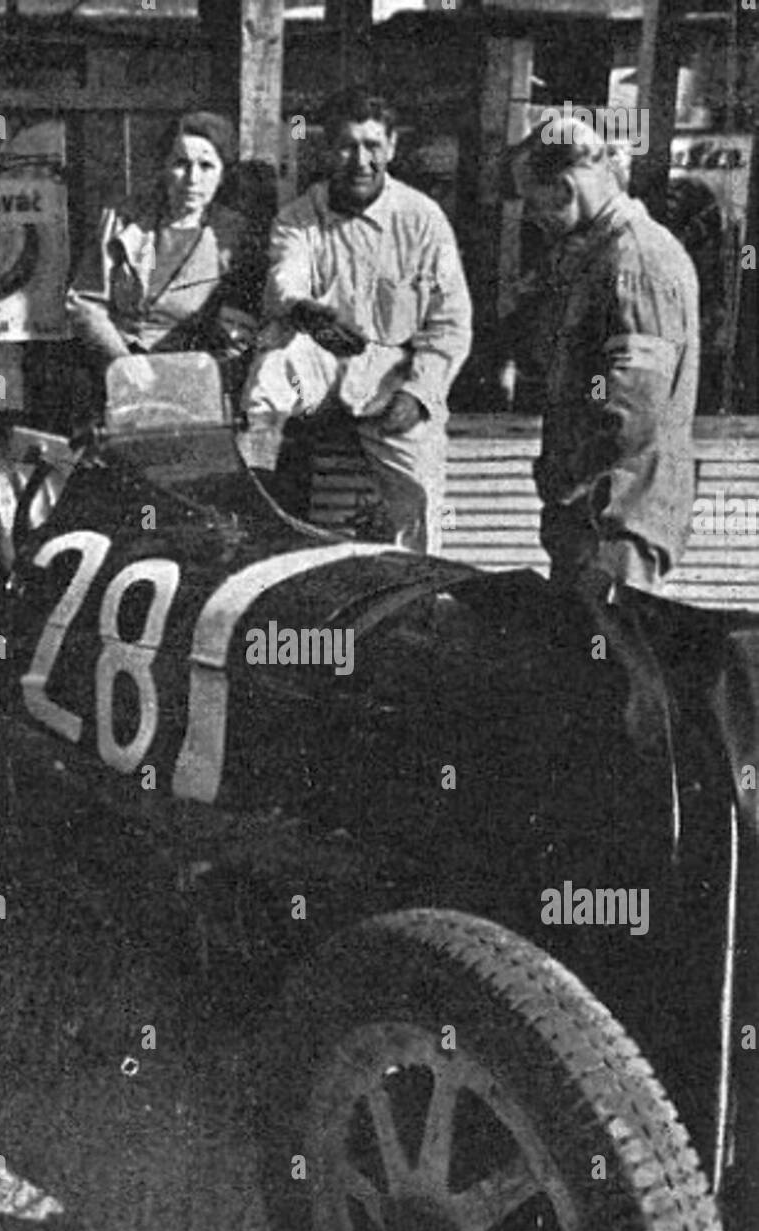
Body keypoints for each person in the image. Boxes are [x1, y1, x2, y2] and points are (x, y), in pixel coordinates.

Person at [511, 115, 701, 756]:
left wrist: (570, 474)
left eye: (534, 204)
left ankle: (650, 826)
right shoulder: (603, 254)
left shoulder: (635, 258)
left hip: (618, 515)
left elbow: (632, 404)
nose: (531, 220)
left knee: (625, 688)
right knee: (592, 683)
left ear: (566, 186)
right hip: (599, 513)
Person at [240, 89, 472, 552]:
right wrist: (302, 307)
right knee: (271, 370)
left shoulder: (423, 220)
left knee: (420, 485)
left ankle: (415, 590)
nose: (360, 160)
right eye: (347, 145)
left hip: (391, 372)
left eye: (372, 146)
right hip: (321, 362)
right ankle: (255, 518)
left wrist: (420, 393)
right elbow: (287, 274)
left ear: (391, 148)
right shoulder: (299, 217)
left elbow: (450, 324)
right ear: (328, 150)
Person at [66, 111, 261, 378]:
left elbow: (239, 331)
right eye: (181, 163)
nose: (192, 179)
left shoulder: (235, 236)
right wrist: (122, 361)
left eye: (206, 166)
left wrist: (195, 374)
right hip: (116, 367)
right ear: (164, 167)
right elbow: (84, 302)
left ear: (223, 174)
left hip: (193, 375)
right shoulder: (123, 220)